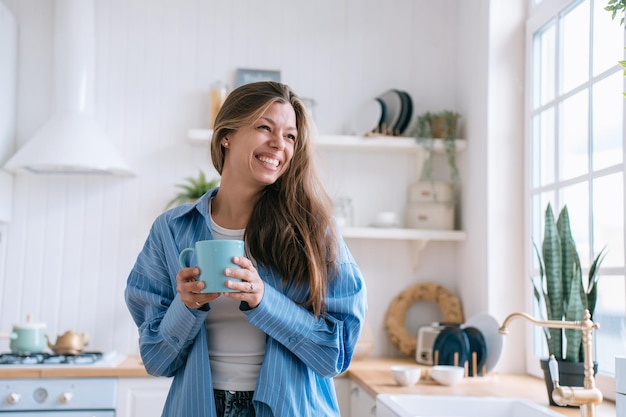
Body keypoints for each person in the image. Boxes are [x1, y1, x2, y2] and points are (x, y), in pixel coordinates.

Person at [125, 81, 367, 417]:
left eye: (290, 136)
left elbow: (334, 355)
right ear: (226, 135)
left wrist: (263, 300)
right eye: (264, 127)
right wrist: (186, 307)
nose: (278, 145)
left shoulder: (313, 231)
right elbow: (156, 359)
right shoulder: (172, 230)